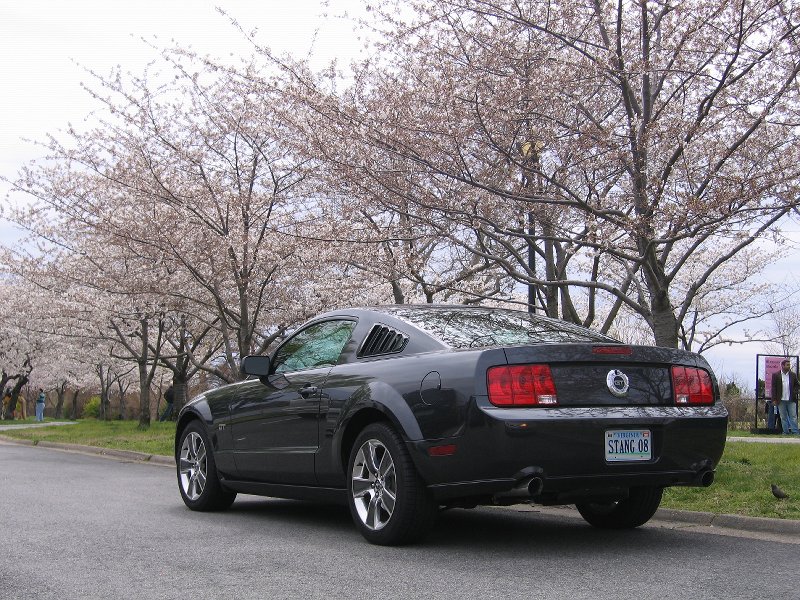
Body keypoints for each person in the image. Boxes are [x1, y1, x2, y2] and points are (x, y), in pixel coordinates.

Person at [770, 358, 800, 435]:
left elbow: (797, 385)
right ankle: (785, 431)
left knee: (793, 416)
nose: (789, 366)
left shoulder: (793, 375)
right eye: (787, 365)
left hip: (791, 399)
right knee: (783, 417)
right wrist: (774, 399)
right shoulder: (776, 375)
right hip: (781, 400)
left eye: (789, 364)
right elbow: (773, 388)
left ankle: (795, 431)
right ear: (782, 366)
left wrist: (794, 392)